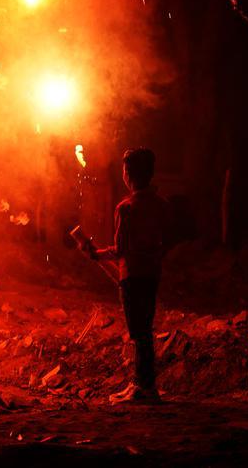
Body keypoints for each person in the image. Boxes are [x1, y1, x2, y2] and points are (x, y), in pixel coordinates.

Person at [84, 147, 172, 403]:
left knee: (138, 333)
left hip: (131, 276)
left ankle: (144, 388)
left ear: (128, 174)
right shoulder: (162, 206)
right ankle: (143, 384)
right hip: (152, 274)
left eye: (124, 169)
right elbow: (165, 241)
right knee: (145, 329)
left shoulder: (126, 208)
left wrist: (96, 253)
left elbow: (121, 250)